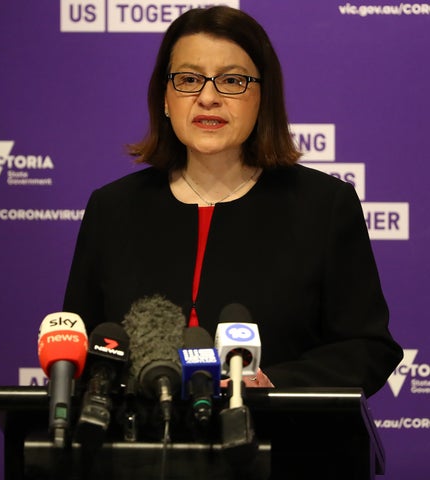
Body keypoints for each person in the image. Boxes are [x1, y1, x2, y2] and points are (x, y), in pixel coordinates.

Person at [63, 6, 402, 398]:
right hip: (138, 448)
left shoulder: (323, 207)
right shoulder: (113, 209)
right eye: (189, 80)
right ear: (165, 99)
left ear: (262, 98)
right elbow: (81, 352)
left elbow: (367, 348)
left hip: (281, 445)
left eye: (232, 81)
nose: (208, 98)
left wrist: (271, 386)